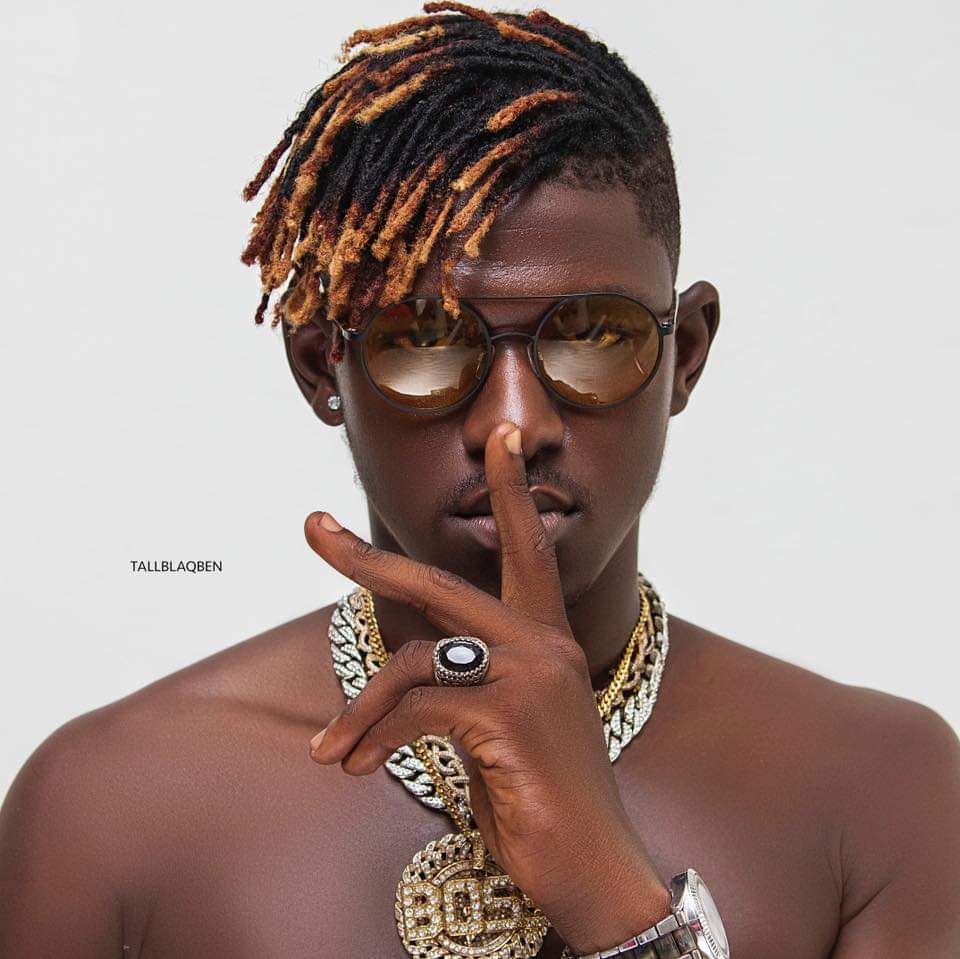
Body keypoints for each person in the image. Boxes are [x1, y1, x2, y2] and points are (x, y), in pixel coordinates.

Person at [1, 4, 958, 957]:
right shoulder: (109, 807)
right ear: (321, 366)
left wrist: (611, 888)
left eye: (593, 335)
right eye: (423, 340)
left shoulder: (883, 794)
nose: (514, 425)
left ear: (688, 353)